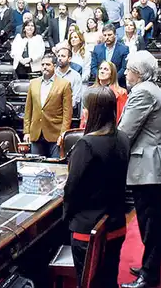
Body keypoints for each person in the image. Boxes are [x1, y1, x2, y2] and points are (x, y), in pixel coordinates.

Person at [64, 86, 130, 286]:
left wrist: (67, 217)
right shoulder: (124, 138)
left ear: (91, 112)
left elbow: (72, 189)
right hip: (116, 223)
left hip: (88, 228)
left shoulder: (87, 144)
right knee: (109, 280)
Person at [119, 51, 161, 288]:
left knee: (150, 222)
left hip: (146, 164)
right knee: (150, 220)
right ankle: (148, 267)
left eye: (129, 69)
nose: (125, 73)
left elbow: (125, 132)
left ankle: (149, 275)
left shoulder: (141, 92)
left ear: (138, 73)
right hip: (150, 162)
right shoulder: (152, 88)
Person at [23, 54, 73, 158]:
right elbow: (28, 110)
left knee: (55, 168)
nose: (44, 67)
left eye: (48, 64)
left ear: (54, 66)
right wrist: (26, 131)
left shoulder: (64, 84)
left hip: (55, 133)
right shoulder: (33, 83)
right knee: (34, 167)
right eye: (42, 64)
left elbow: (67, 113)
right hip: (36, 133)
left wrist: (63, 134)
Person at [91, 23, 129, 88]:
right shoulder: (97, 48)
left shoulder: (124, 49)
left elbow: (124, 68)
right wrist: (102, 77)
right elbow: (93, 67)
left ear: (115, 35)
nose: (107, 37)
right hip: (100, 84)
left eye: (109, 35)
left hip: (118, 84)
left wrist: (112, 79)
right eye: (105, 35)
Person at [55, 46, 86, 111]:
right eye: (59, 56)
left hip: (69, 110)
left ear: (69, 59)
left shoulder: (76, 76)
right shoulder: (53, 74)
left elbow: (76, 97)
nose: (60, 58)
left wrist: (64, 107)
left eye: (63, 56)